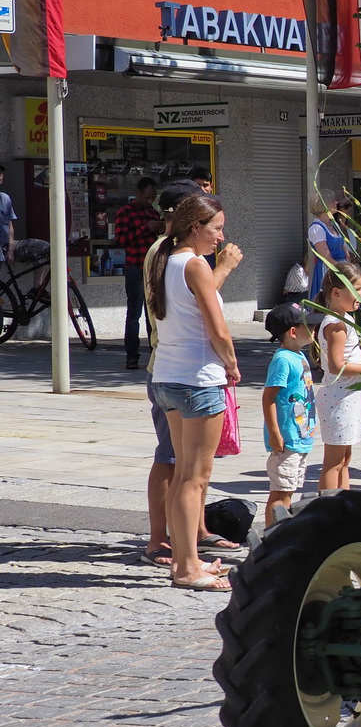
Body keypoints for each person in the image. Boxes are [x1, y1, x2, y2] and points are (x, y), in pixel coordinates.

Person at [139, 181, 241, 571]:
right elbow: (218, 329)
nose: (221, 236)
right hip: (197, 378)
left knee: (184, 473)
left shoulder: (164, 258)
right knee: (194, 477)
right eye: (216, 228)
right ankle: (187, 565)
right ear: (195, 226)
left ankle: (187, 560)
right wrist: (231, 364)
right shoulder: (195, 264)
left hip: (167, 374)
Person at [314, 261, 361, 490]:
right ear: (336, 292)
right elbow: (336, 365)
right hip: (339, 399)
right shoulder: (336, 325)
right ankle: (329, 506)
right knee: (333, 462)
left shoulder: (345, 319)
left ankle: (344, 502)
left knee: (344, 459)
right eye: (357, 290)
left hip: (347, 397)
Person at [260, 302, 318, 528]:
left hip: (300, 438)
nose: (313, 329)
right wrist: (274, 432)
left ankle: (280, 533)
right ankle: (271, 537)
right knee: (280, 493)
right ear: (293, 331)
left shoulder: (299, 356)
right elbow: (269, 398)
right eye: (308, 326)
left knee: (288, 490)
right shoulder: (283, 360)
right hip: (286, 441)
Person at [114, 177, 162, 369]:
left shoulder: (153, 212)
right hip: (135, 266)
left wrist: (160, 229)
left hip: (152, 267)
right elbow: (121, 240)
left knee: (154, 313)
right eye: (147, 197)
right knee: (134, 313)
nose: (150, 201)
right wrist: (145, 228)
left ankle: (155, 354)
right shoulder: (125, 212)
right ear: (138, 193)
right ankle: (132, 355)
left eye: (153, 198)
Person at [307, 195, 355, 299]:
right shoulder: (317, 228)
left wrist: (348, 265)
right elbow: (326, 256)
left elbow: (343, 247)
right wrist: (342, 269)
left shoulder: (333, 224)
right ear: (324, 204)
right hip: (329, 269)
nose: (336, 203)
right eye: (333, 200)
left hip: (342, 267)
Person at [0, 164, 14, 260]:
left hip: (3, 250)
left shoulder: (5, 198)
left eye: (0, 174)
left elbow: (10, 225)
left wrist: (11, 250)